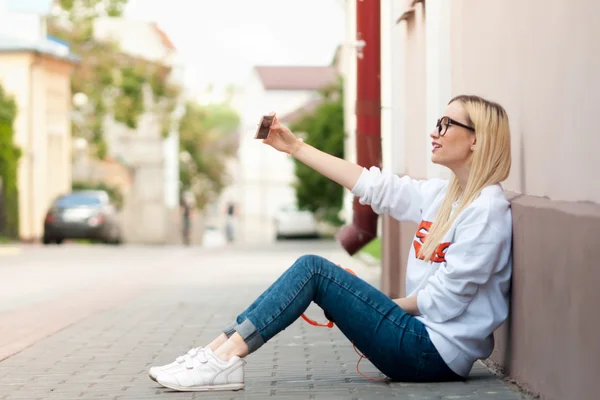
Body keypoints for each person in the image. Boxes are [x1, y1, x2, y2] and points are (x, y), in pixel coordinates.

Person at [148, 95, 513, 392]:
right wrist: (295, 148)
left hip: (433, 354)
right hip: (416, 340)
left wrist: (370, 307)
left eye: (447, 124)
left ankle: (225, 360)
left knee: (314, 269)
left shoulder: (487, 210)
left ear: (476, 138)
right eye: (438, 122)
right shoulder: (442, 195)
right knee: (316, 271)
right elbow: (373, 186)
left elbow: (445, 302)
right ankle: (214, 353)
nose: (435, 131)